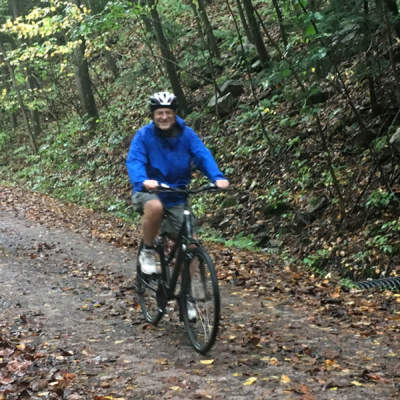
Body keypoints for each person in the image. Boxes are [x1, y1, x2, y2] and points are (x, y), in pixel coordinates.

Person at [126, 91, 229, 275]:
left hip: (177, 194)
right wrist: (143, 180)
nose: (164, 117)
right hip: (149, 189)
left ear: (174, 114)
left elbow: (201, 154)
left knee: (191, 246)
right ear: (153, 115)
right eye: (159, 113)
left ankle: (185, 296)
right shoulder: (143, 135)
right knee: (155, 207)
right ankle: (147, 251)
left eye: (168, 112)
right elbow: (135, 161)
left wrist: (217, 177)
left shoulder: (186, 134)